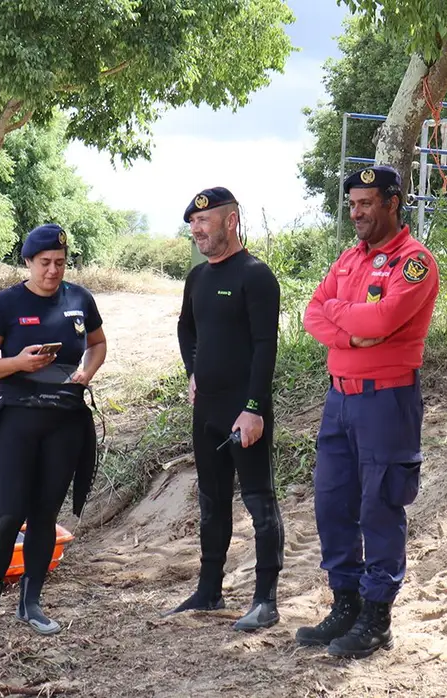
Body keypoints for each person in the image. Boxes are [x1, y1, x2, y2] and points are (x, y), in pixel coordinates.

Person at [296, 165, 439, 659]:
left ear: (392, 202)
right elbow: (312, 311)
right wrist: (353, 332)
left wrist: (351, 319)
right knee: (332, 502)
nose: (356, 213)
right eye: (352, 204)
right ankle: (347, 604)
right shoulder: (349, 258)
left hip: (387, 400)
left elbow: (384, 318)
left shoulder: (414, 262)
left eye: (366, 204)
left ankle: (377, 619)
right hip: (339, 399)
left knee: (380, 505)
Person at [0, 223, 107, 638]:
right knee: (7, 516)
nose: (53, 271)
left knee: (44, 516)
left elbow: (98, 343)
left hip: (65, 421)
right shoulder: (5, 303)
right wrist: (18, 363)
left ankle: (32, 604)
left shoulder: (80, 298)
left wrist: (86, 372)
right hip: (18, 421)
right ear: (27, 262)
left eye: (60, 263)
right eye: (45, 263)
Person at [168, 186, 286, 632]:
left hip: (245, 410)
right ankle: (209, 590)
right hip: (207, 410)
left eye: (204, 221)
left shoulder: (256, 276)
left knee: (259, 502)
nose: (196, 229)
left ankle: (265, 600)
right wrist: (191, 372)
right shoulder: (198, 277)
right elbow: (186, 329)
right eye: (192, 223)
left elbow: (264, 347)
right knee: (212, 501)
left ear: (231, 221)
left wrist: (254, 408)